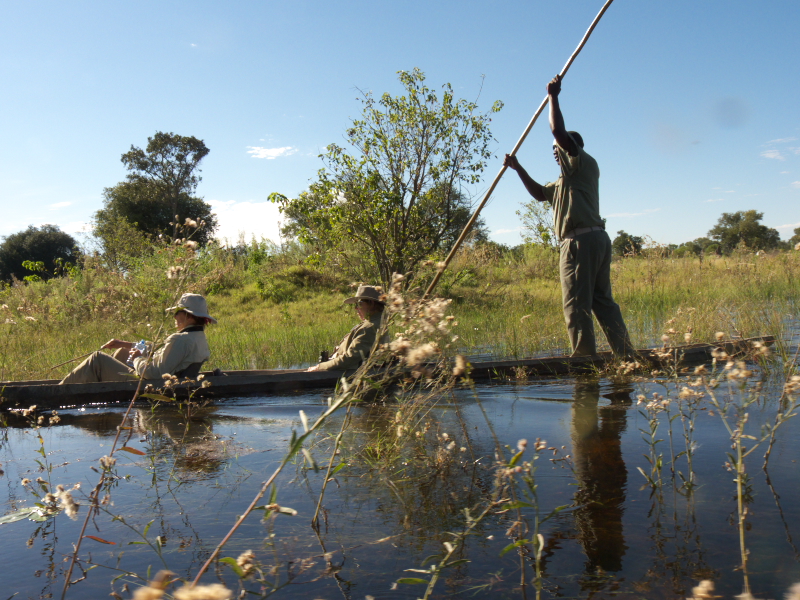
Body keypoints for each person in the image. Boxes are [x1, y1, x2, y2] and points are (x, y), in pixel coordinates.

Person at [504, 74, 633, 357]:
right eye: (554, 150)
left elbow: (558, 132)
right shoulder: (565, 182)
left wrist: (553, 96)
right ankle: (626, 355)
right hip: (594, 240)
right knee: (602, 302)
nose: (555, 153)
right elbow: (539, 194)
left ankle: (584, 362)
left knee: (576, 304)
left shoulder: (583, 164)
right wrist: (517, 167)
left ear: (572, 148)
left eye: (558, 149)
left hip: (580, 243)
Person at [60, 293, 216, 384]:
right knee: (122, 352)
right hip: (166, 379)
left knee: (97, 359)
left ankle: (59, 391)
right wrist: (126, 344)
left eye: (177, 313)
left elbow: (154, 374)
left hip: (150, 386)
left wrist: (137, 358)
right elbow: (162, 352)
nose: (174, 316)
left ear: (189, 316)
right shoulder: (196, 337)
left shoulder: (180, 340)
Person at [308, 285, 386, 372]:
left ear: (371, 303)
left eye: (359, 304)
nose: (356, 308)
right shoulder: (374, 323)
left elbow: (349, 359)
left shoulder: (370, 327)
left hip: (350, 375)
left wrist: (320, 367)